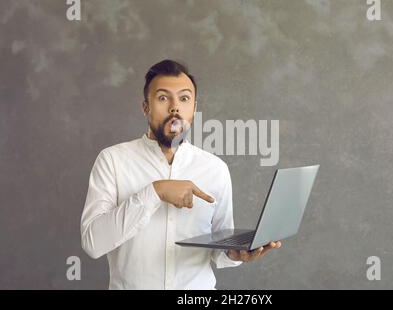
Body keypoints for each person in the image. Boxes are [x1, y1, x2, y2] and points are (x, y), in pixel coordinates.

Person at [80, 59, 281, 289]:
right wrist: (156, 191)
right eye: (163, 98)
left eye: (184, 99)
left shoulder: (215, 169)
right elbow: (93, 243)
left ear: (194, 108)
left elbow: (220, 249)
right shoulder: (112, 161)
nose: (175, 107)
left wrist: (235, 255)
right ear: (145, 106)